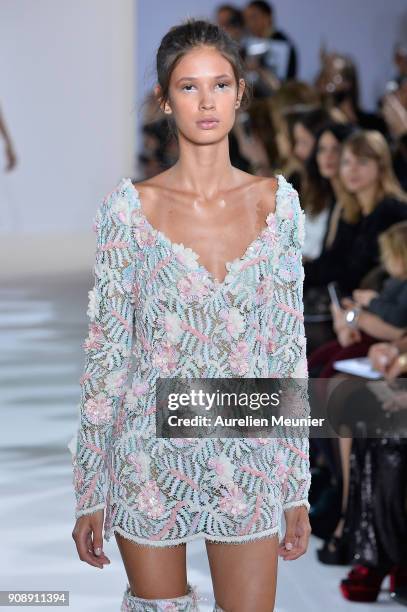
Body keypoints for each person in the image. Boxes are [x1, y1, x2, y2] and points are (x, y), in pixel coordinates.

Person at [69, 19, 311, 611]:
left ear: (240, 94)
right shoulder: (130, 210)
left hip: (247, 448)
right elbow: (107, 358)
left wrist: (294, 486)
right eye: (188, 87)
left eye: (221, 84)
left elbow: (286, 349)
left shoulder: (277, 206)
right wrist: (89, 489)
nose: (207, 101)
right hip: (147, 453)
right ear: (163, 99)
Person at [304, 129, 407, 295]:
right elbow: (333, 261)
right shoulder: (351, 212)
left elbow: (355, 271)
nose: (352, 169)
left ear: (380, 166)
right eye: (346, 162)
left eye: (362, 162)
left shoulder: (392, 211)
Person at [243, 0, 298, 82]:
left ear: (267, 17)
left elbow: (281, 80)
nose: (249, 23)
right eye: (246, 19)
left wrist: (258, 69)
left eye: (253, 17)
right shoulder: (248, 42)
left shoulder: (282, 44)